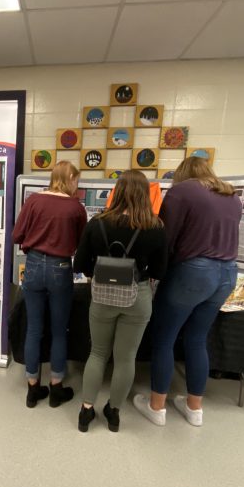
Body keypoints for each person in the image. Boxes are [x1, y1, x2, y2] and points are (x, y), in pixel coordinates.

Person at [133, 157, 242, 427]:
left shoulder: (182, 191)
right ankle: (195, 409)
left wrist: (153, 272)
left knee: (164, 339)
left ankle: (157, 407)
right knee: (197, 339)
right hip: (227, 273)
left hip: (192, 272)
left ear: (182, 174)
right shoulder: (231, 196)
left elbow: (165, 239)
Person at [74, 171, 167, 433]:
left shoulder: (97, 222)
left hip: (102, 296)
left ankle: (86, 411)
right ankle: (114, 413)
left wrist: (100, 274)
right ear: (145, 194)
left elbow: (80, 264)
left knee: (98, 353)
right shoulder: (156, 226)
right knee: (126, 358)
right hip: (138, 297)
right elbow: (160, 271)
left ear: (116, 192)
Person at [12, 161, 87, 408]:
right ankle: (56, 388)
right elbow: (80, 244)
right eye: (76, 180)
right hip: (60, 268)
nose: (77, 185)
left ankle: (33, 389)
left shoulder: (34, 201)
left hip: (33, 265)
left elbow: (17, 236)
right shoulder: (76, 208)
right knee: (58, 330)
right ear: (70, 179)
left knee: (34, 329)